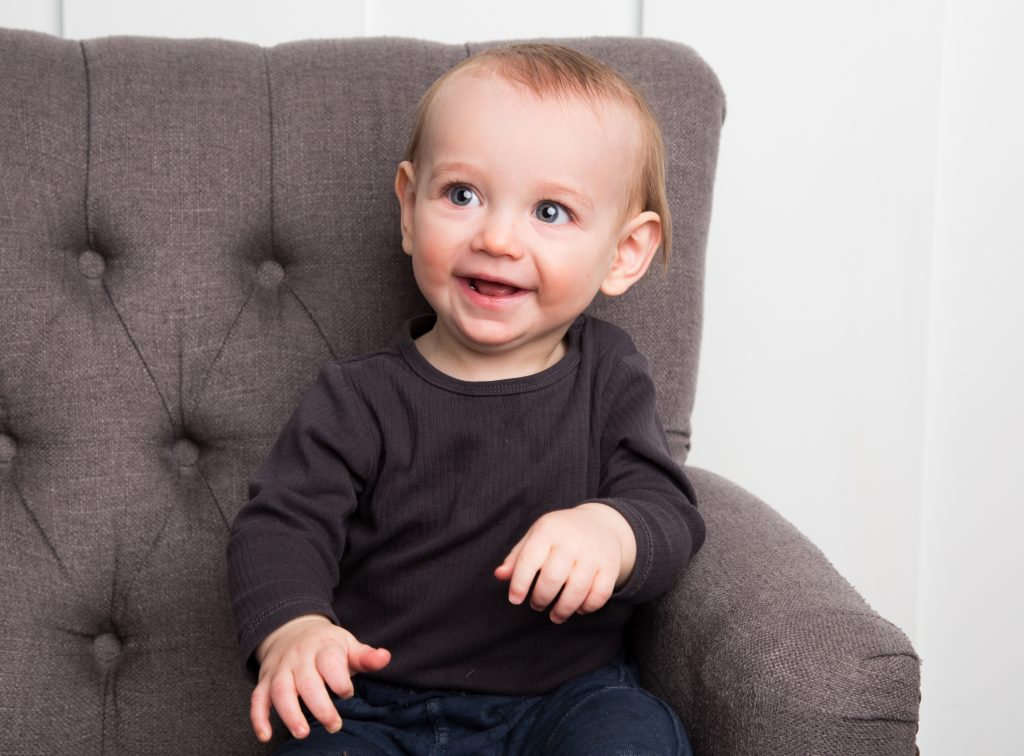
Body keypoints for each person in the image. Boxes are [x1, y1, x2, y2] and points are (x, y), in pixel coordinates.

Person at [227, 42, 706, 755]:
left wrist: (611, 530)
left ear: (623, 253)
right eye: (462, 196)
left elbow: (668, 511)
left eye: (550, 210)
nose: (497, 237)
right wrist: (293, 628)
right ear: (408, 207)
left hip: (563, 700)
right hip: (373, 705)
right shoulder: (358, 398)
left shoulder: (610, 375)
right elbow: (279, 528)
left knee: (630, 737)